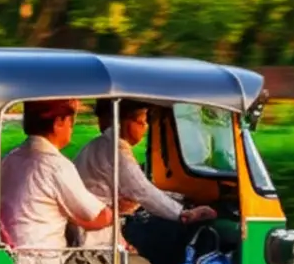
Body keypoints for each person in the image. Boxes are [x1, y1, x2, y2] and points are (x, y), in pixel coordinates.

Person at [0, 99, 154, 264]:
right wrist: (118, 208)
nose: (71, 129)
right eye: (71, 122)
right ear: (58, 123)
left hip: (11, 259)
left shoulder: (11, 158)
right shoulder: (55, 165)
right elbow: (98, 217)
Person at [74, 99, 216, 250]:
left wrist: (177, 198)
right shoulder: (117, 153)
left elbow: (138, 189)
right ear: (128, 123)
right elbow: (143, 191)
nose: (146, 127)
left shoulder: (96, 146)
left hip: (100, 227)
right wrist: (183, 214)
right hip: (97, 238)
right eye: (142, 122)